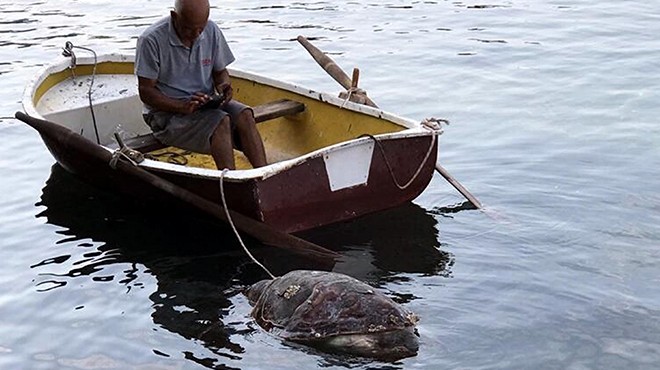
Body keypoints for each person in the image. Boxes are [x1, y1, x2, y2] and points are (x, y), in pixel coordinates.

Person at [135, 0, 267, 170]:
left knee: (245, 115)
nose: (196, 35)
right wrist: (181, 106)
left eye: (200, 29)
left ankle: (264, 173)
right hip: (166, 115)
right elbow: (146, 91)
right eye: (189, 29)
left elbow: (221, 72)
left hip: (205, 104)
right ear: (174, 16)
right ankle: (229, 182)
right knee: (221, 122)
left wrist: (224, 86)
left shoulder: (211, 30)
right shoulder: (150, 40)